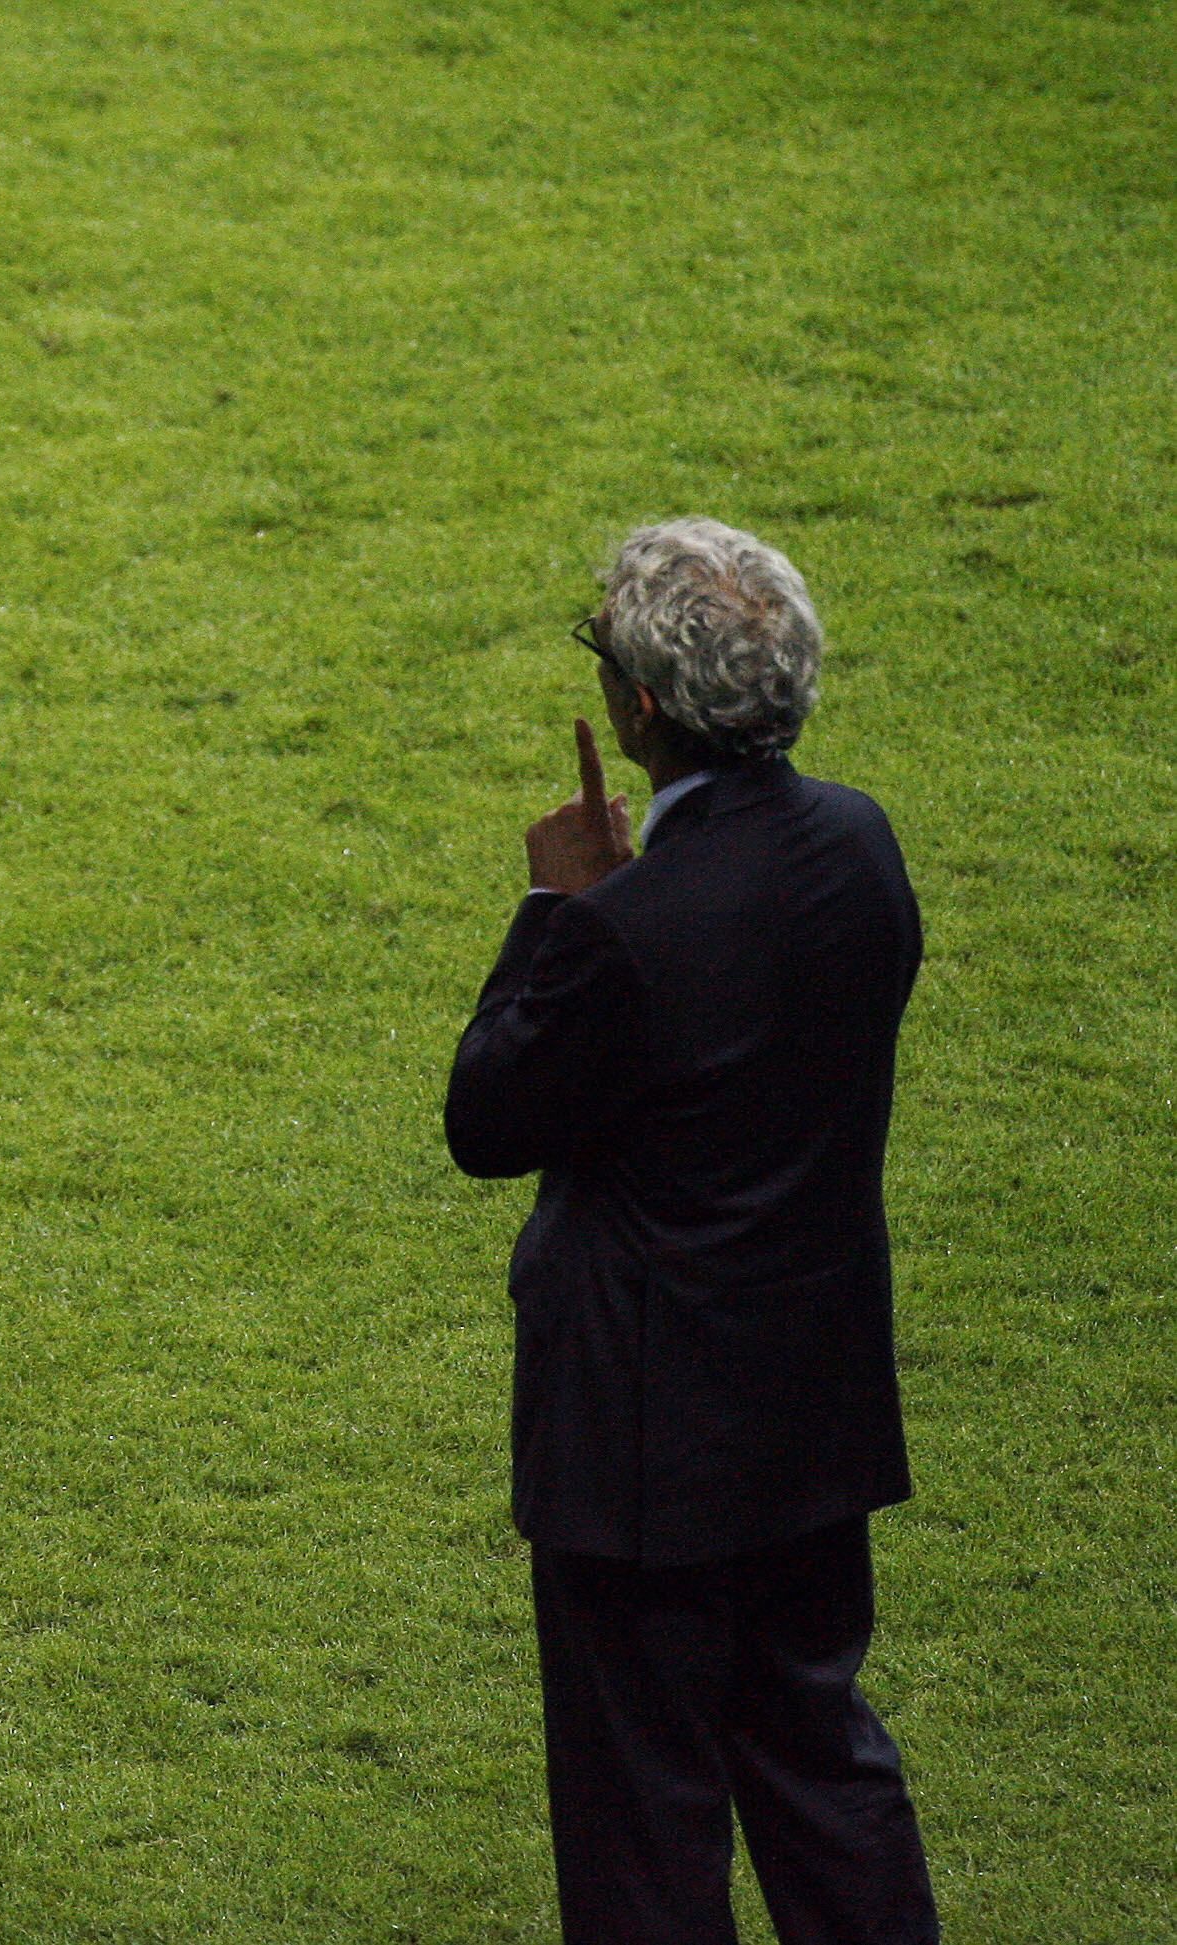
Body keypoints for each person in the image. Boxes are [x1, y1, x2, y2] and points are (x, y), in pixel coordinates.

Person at [444, 518, 939, 1943]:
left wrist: (553, 909)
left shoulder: (619, 933)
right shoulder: (861, 844)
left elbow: (487, 1116)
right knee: (818, 1760)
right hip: (813, 1413)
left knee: (643, 1817)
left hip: (638, 1447)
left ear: (640, 710)